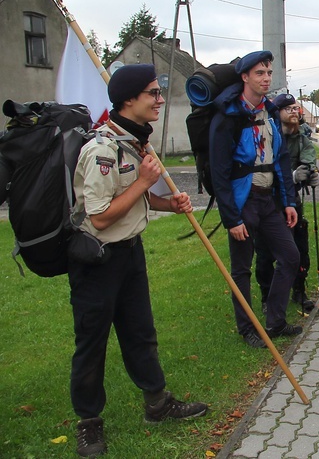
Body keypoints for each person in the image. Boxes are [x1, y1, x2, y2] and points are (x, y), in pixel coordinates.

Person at [68, 64, 207, 457]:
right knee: (91, 344)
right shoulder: (102, 150)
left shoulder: (134, 142)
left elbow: (135, 200)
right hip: (97, 260)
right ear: (129, 99)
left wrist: (168, 203)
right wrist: (146, 183)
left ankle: (157, 404)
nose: (160, 99)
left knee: (141, 333)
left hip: (130, 253)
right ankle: (89, 423)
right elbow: (99, 216)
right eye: (153, 93)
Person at [209, 50, 302, 349]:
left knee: (290, 257)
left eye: (268, 72)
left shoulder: (270, 111)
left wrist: (289, 201)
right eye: (259, 73)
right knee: (241, 269)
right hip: (243, 201)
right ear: (245, 77)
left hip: (269, 200)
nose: (265, 78)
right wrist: (231, 218)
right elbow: (219, 173)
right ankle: (247, 328)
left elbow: (282, 159)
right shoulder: (229, 116)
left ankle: (274, 321)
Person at [255, 93, 319, 313]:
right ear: (277, 112)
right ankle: (267, 296)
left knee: (299, 247)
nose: (294, 112)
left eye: (295, 108)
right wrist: (291, 176)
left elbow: (309, 160)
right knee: (265, 252)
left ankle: (299, 289)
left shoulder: (302, 136)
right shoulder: (269, 136)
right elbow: (264, 169)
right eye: (288, 108)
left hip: (293, 200)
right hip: (267, 201)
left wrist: (312, 173)